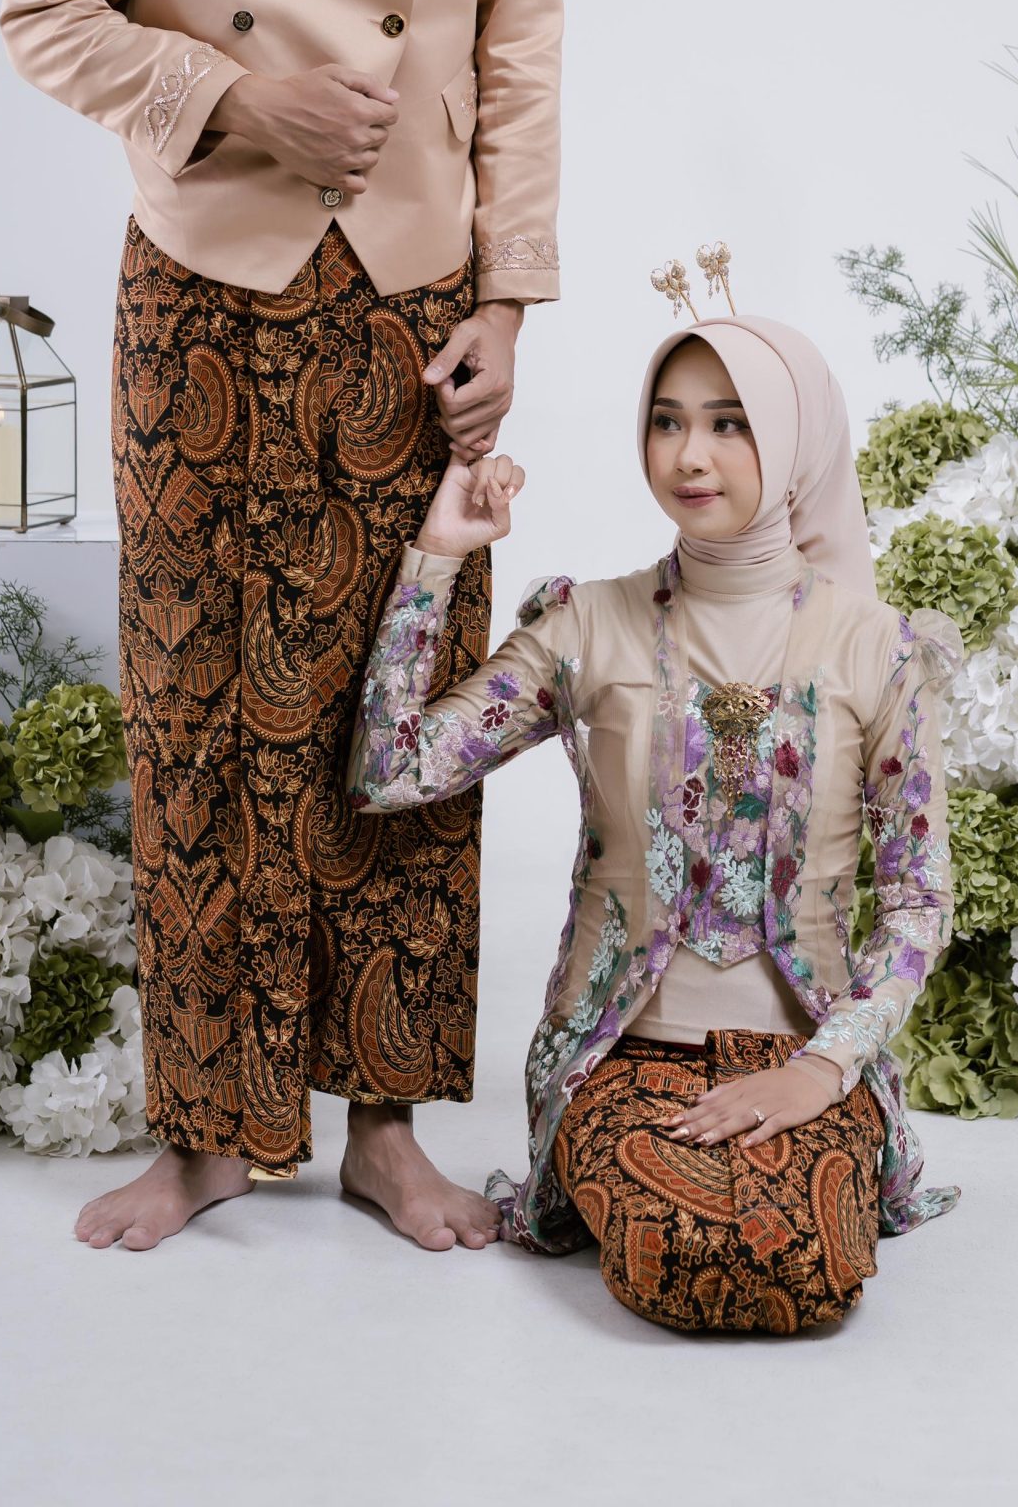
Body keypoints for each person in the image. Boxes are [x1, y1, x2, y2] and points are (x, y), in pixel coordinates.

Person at [0, 0, 562, 1254]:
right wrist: (239, 100)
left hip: (410, 294)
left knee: (400, 711)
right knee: (192, 713)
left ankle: (385, 1130)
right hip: (202, 289)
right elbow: (47, 11)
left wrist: (507, 296)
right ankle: (206, 1132)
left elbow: (518, 46)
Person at [347, 304, 961, 1332]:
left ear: (795, 438)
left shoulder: (876, 647)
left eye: (729, 424)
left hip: (805, 1060)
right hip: (620, 1056)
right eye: (666, 421)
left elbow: (916, 899)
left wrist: (824, 1066)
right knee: (681, 1254)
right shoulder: (589, 624)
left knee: (795, 1263)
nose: (689, 455)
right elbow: (391, 771)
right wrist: (438, 553)